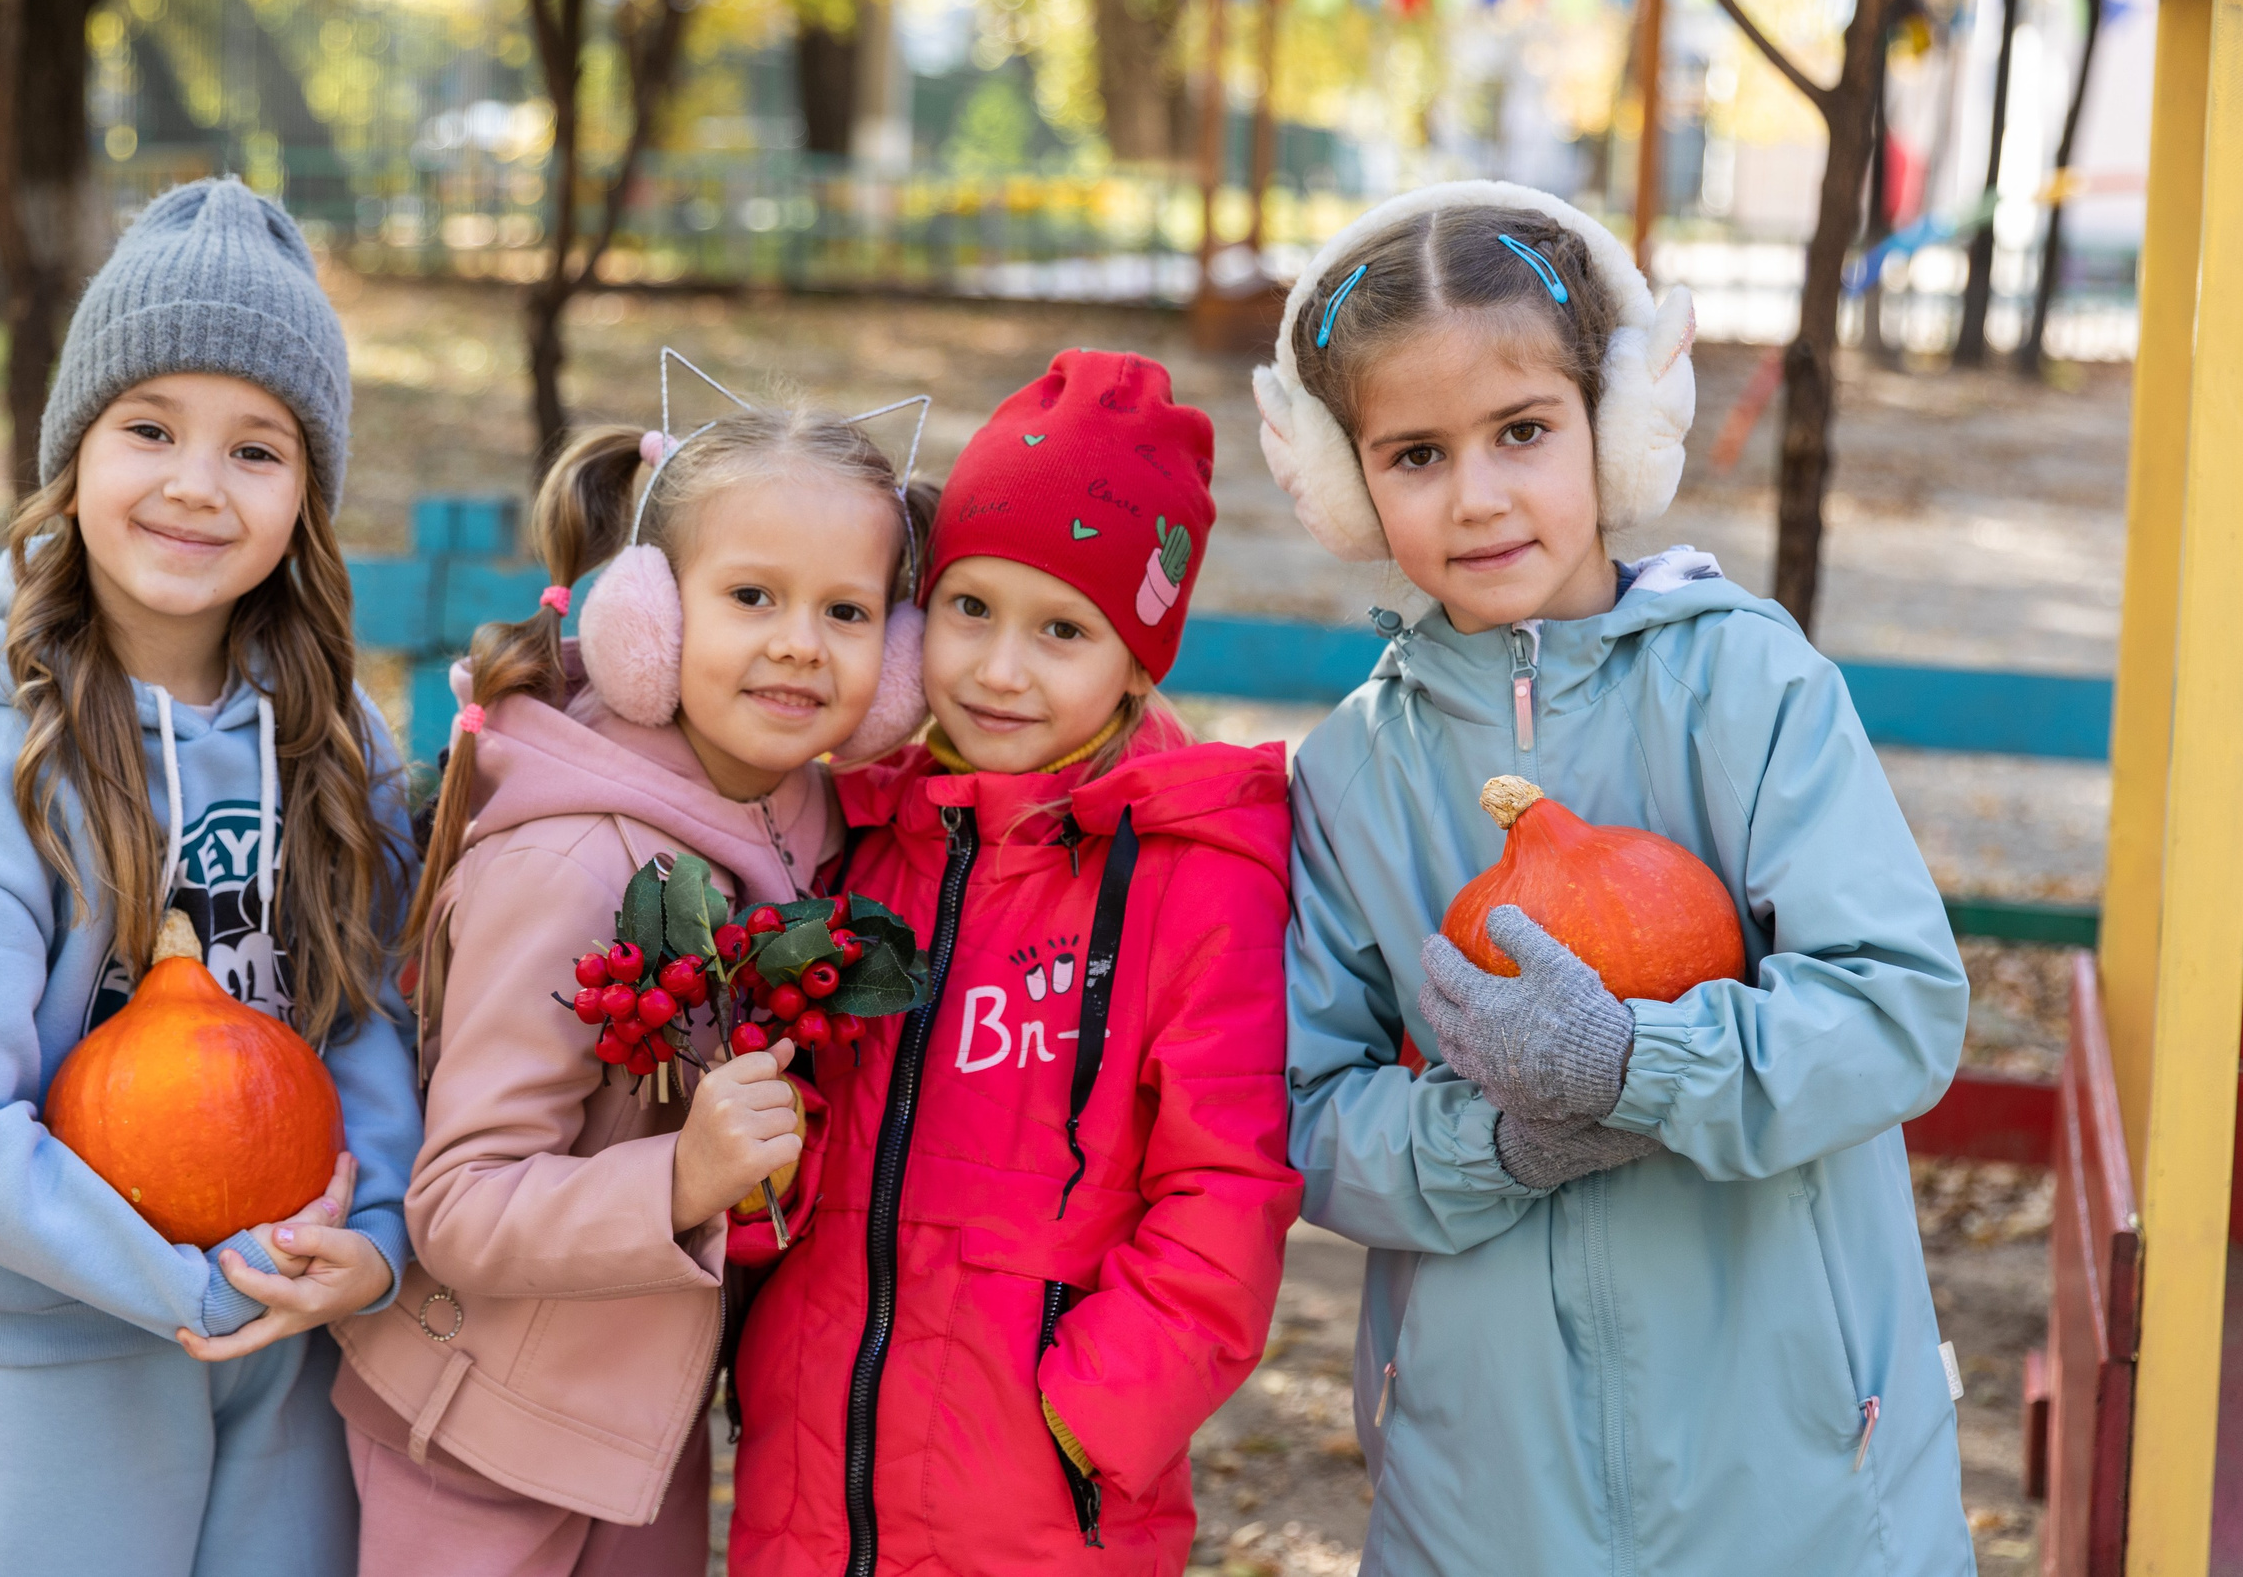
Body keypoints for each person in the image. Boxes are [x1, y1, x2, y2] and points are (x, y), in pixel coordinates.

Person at [1260, 180, 1974, 1574]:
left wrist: (1633, 1060)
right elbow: (1308, 1112)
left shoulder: (1751, 683)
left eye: (1523, 431)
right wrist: (1502, 1145)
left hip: (1802, 1481)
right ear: (1346, 484)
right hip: (1485, 1497)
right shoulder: (1352, 776)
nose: (1478, 495)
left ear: (1617, 422)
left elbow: (1895, 1009)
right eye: (1414, 453)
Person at [0, 177, 425, 1576]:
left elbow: (368, 1010)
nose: (195, 482)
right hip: (66, 1332)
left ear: (306, 493)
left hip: (290, 1322)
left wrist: (372, 1234)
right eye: (151, 427)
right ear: (75, 451)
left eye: (257, 448)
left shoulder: (333, 746)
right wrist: (177, 1281)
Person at [330, 395, 936, 1577]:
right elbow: (456, 1204)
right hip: (479, 1442)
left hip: (640, 1433)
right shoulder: (571, 865)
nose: (801, 643)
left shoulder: (805, 823)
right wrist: (683, 1179)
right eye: (752, 596)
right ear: (646, 619)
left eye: (848, 611)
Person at [727, 349, 1302, 1576]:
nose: (998, 669)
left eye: (1061, 630)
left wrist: (1088, 1416)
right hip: (811, 1477)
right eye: (970, 608)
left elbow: (1229, 1188)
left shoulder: (1193, 878)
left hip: (1040, 1510)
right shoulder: (853, 837)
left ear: (1136, 660)